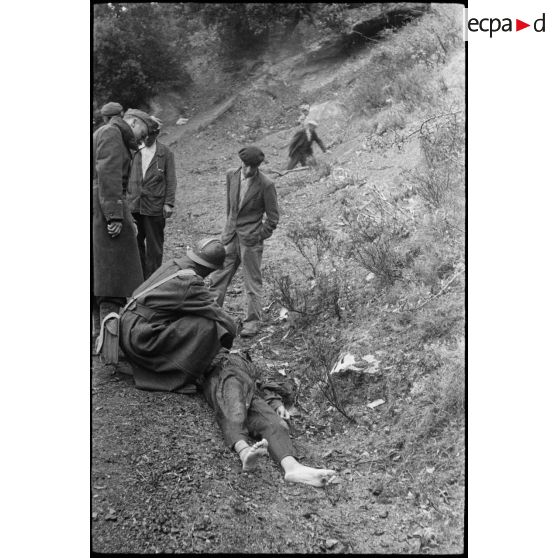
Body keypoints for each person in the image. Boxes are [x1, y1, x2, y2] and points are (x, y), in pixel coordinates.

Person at [202, 350, 337, 487]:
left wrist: (276, 403)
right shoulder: (212, 350)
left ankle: (292, 468)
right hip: (224, 377)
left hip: (250, 391)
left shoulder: (245, 360)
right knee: (234, 405)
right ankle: (244, 451)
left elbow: (262, 384)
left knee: (274, 423)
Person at [119, 238, 238, 393]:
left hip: (127, 329)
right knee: (208, 325)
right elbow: (219, 317)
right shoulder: (190, 282)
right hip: (140, 339)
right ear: (210, 268)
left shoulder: (175, 265)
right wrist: (231, 334)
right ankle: (174, 378)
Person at [208, 146, 279, 338]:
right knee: (218, 278)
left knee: (252, 282)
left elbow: (273, 219)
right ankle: (210, 318)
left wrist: (258, 235)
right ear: (241, 162)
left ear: (258, 167)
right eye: (246, 166)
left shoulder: (266, 184)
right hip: (230, 237)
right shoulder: (231, 175)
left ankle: (252, 322)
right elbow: (230, 207)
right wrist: (228, 230)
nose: (248, 171)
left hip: (251, 241)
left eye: (253, 168)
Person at [92, 108, 152, 333]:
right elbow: (110, 176)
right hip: (103, 208)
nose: (143, 139)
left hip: (101, 206)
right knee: (113, 276)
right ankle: (109, 341)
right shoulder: (112, 134)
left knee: (102, 275)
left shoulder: (107, 131)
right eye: (143, 133)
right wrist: (114, 217)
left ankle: (99, 333)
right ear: (134, 123)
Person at [128, 116, 177, 279]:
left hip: (154, 206)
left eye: (153, 134)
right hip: (134, 205)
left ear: (157, 134)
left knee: (155, 246)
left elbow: (171, 179)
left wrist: (168, 203)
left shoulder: (165, 153)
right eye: (147, 133)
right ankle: (140, 279)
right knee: (135, 243)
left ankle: (153, 280)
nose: (149, 137)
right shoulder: (133, 150)